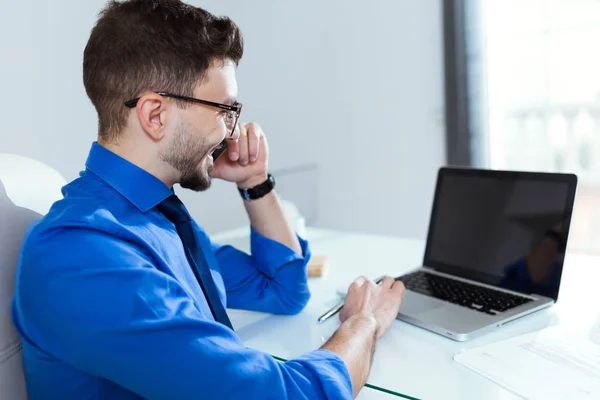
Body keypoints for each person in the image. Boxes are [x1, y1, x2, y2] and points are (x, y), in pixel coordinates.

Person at [11, 1, 406, 399]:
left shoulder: (155, 221)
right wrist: (364, 323)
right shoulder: (86, 255)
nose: (234, 133)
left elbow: (283, 289)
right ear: (155, 115)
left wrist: (255, 182)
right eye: (225, 110)